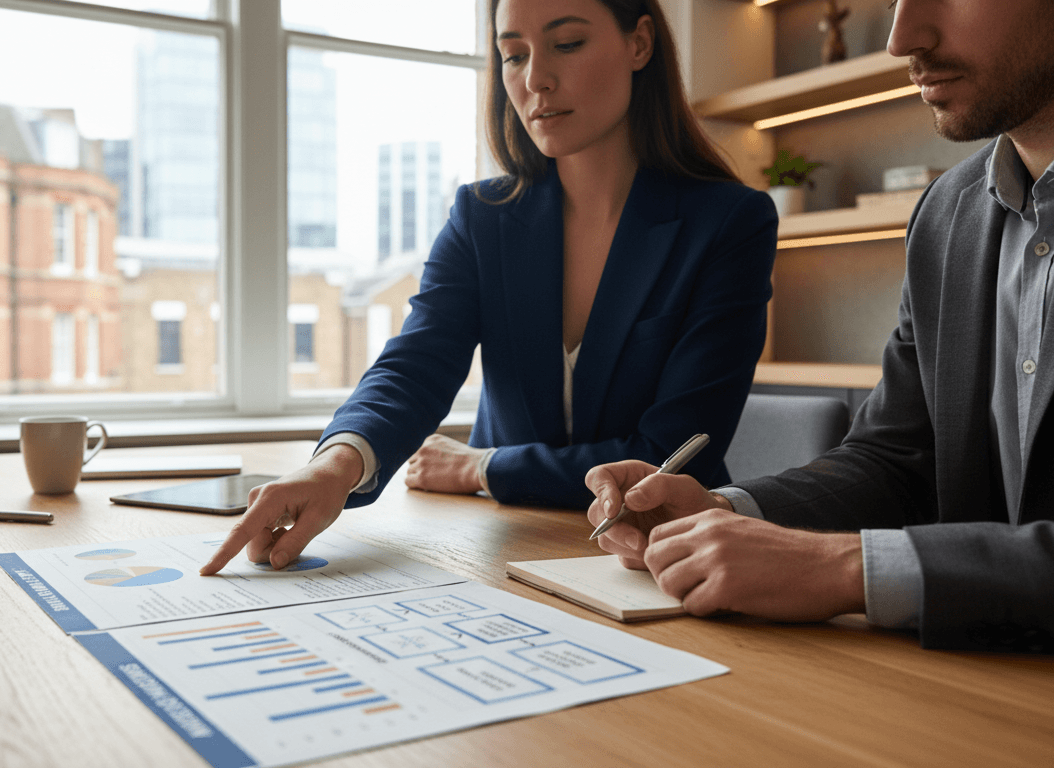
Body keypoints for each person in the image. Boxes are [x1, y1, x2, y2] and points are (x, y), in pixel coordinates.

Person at [587, 0, 1054, 654]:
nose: (902, 37)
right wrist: (725, 512)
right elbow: (896, 459)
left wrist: (850, 568)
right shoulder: (946, 214)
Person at [202, 0, 777, 575]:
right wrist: (333, 465)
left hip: (660, 556)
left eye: (567, 44)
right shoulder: (483, 217)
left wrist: (482, 467)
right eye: (513, 55)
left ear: (640, 43)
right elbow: (416, 364)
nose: (535, 80)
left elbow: (670, 458)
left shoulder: (729, 223)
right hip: (501, 546)